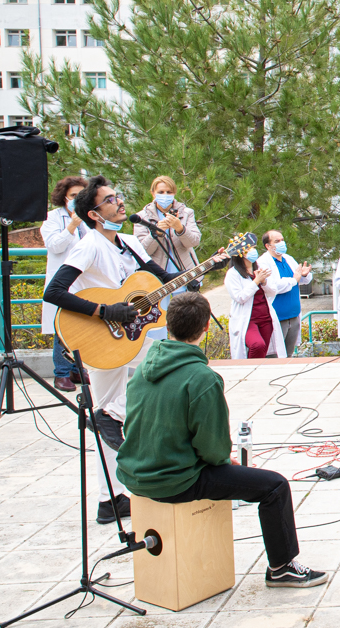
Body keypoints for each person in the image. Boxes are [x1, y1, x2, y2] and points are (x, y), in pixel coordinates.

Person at [43, 176, 225, 523]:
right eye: (110, 199)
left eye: (119, 196)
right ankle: (112, 426)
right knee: (173, 368)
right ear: (95, 214)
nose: (120, 202)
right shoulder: (90, 245)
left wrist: (206, 266)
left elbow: (159, 277)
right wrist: (105, 311)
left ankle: (109, 499)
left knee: (106, 418)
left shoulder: (128, 241)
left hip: (125, 336)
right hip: (100, 333)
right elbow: (54, 292)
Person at [116, 292, 327, 588]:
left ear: (168, 324)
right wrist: (223, 460)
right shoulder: (201, 378)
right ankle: (282, 568)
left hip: (134, 475)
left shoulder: (141, 371)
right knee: (274, 486)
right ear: (205, 329)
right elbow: (213, 448)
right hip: (175, 480)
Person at [40, 175, 88, 391]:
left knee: (82, 327)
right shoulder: (52, 218)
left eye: (81, 195)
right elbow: (55, 246)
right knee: (62, 328)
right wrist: (71, 226)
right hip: (62, 282)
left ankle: (77, 369)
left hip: (83, 281)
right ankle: (61, 373)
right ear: (63, 197)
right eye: (72, 196)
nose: (76, 199)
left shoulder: (87, 218)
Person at [225, 243, 292, 359]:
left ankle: (258, 373)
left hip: (265, 317)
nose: (253, 251)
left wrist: (264, 282)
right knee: (257, 345)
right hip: (248, 319)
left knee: (263, 351)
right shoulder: (233, 274)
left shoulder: (260, 268)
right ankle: (248, 371)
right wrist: (256, 281)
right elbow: (240, 297)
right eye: (248, 249)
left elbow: (272, 292)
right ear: (239, 254)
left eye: (253, 248)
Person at [133, 176, 202, 286]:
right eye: (161, 192)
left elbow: (194, 242)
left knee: (186, 302)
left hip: (185, 272)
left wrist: (180, 229)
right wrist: (157, 233)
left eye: (169, 192)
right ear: (153, 193)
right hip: (157, 277)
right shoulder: (141, 218)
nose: (165, 195)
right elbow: (142, 251)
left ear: (174, 193)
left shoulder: (186, 213)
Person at [263, 231, 312, 357]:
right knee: (275, 356)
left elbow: (300, 279)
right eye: (276, 241)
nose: (281, 243)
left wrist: (304, 275)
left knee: (288, 355)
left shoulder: (288, 259)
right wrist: (293, 280)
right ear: (268, 246)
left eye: (282, 240)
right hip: (278, 316)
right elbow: (272, 286)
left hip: (294, 315)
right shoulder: (263, 262)